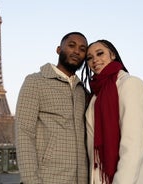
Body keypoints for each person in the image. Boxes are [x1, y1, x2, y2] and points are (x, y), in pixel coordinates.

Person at [15, 32, 89, 184]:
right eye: (71, 45)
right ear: (58, 49)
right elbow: (24, 133)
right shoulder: (35, 82)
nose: (77, 51)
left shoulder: (83, 92)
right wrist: (31, 180)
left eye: (82, 49)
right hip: (47, 177)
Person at [81, 40, 143, 184]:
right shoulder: (96, 95)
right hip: (99, 177)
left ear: (112, 55)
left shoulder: (130, 84)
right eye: (89, 57)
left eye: (100, 53)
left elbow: (134, 144)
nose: (95, 60)